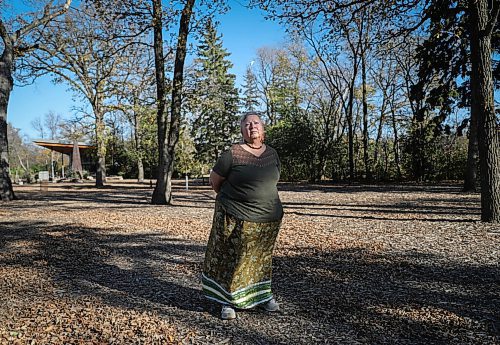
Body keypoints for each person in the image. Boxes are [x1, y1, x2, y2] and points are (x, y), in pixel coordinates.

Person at [201, 112, 284, 320]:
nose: (252, 126)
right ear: (242, 131)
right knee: (233, 258)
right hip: (235, 216)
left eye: (256, 123)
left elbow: (274, 180)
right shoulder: (233, 153)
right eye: (247, 124)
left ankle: (262, 297)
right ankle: (227, 301)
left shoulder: (272, 154)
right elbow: (215, 181)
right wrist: (234, 200)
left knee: (261, 260)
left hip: (268, 218)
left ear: (263, 129)